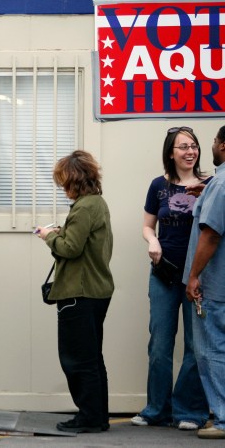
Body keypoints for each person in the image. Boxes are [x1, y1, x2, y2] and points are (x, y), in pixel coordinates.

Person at [131, 126, 210, 430]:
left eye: (194, 146)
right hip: (164, 273)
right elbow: (148, 226)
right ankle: (156, 409)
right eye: (183, 147)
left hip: (199, 276)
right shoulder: (158, 186)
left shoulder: (211, 184)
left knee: (195, 346)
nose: (190, 152)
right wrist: (152, 241)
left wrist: (201, 274)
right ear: (170, 153)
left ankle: (190, 411)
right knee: (160, 344)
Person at [35, 150, 113, 434]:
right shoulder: (98, 204)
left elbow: (70, 248)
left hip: (78, 293)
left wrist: (48, 235)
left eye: (64, 182)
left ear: (75, 181)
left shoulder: (83, 208)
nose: (62, 188)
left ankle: (90, 417)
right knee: (92, 358)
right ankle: (97, 415)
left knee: (77, 359)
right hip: (97, 290)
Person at [184, 125, 225, 440]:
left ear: (222, 146)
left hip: (215, 286)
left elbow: (210, 235)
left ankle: (223, 420)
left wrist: (194, 275)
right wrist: (205, 195)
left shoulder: (221, 182)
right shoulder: (217, 185)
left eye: (212, 141)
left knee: (211, 351)